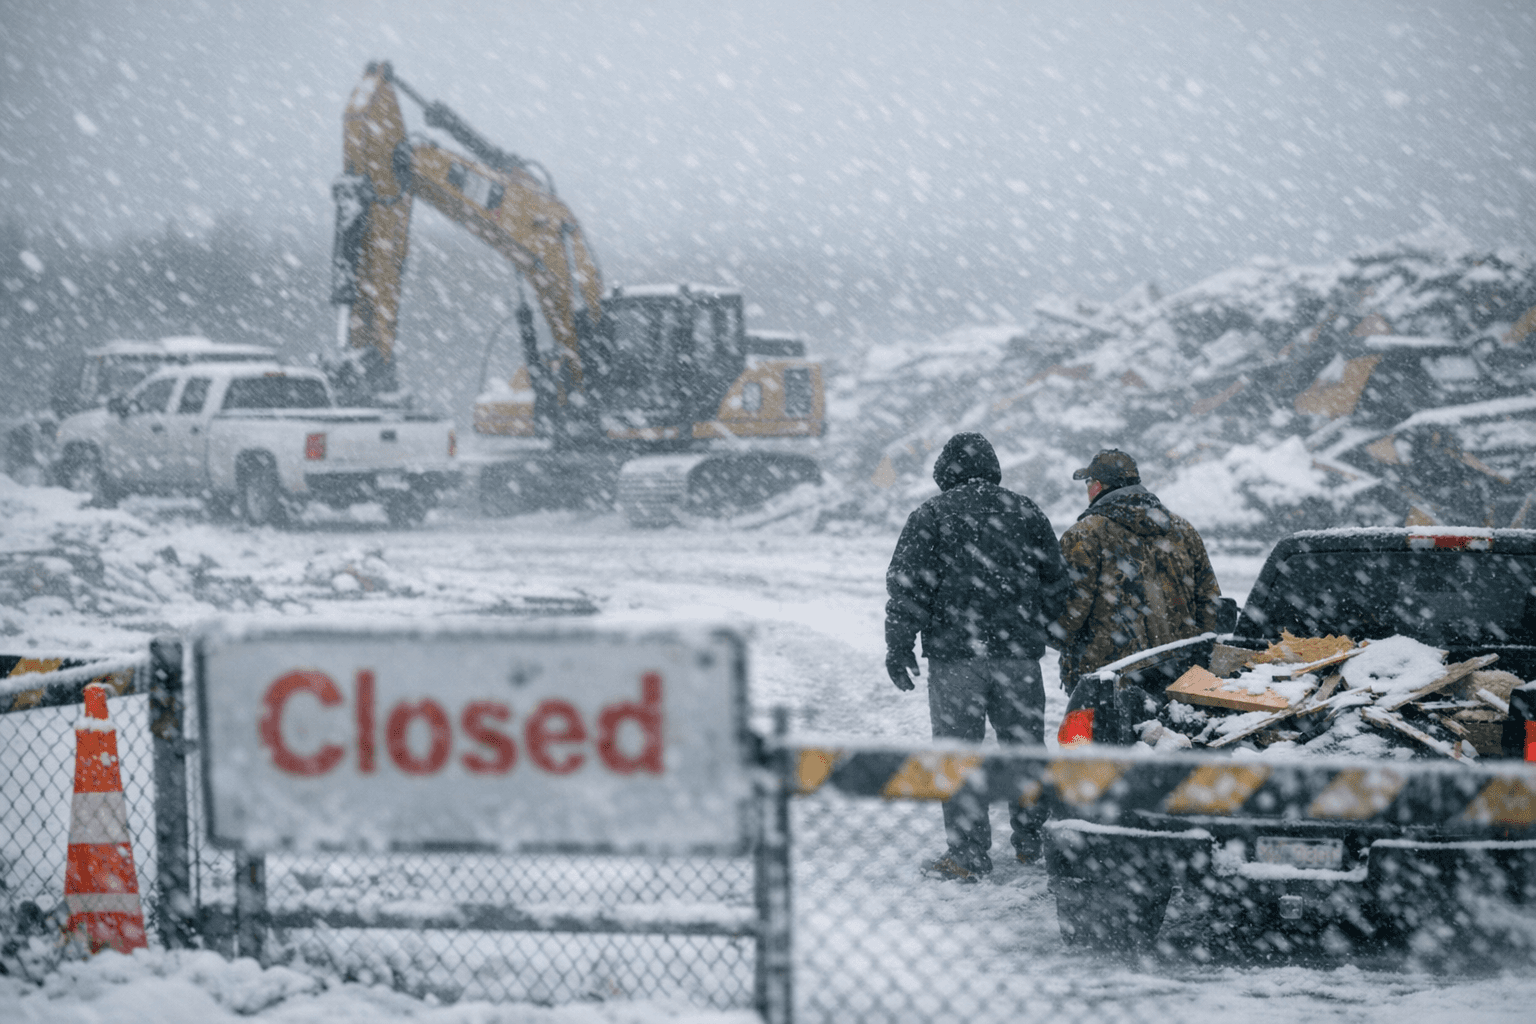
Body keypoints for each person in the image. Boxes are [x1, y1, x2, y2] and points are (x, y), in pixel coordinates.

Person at [885, 432, 1069, 881]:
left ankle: (968, 856)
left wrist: (899, 644)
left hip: (955, 660)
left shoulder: (931, 515)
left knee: (958, 755)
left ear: (945, 473)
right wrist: (1050, 635)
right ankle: (1034, 842)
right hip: (1018, 659)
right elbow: (1057, 584)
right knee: (1025, 749)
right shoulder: (1026, 512)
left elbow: (908, 585)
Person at [1052, 449, 1223, 691]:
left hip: (1106, 681)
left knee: (1083, 731)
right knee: (1168, 730)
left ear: (1097, 486)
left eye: (1088, 483)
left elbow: (1068, 616)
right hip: (1180, 677)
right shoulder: (1183, 530)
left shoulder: (1084, 535)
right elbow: (1210, 602)